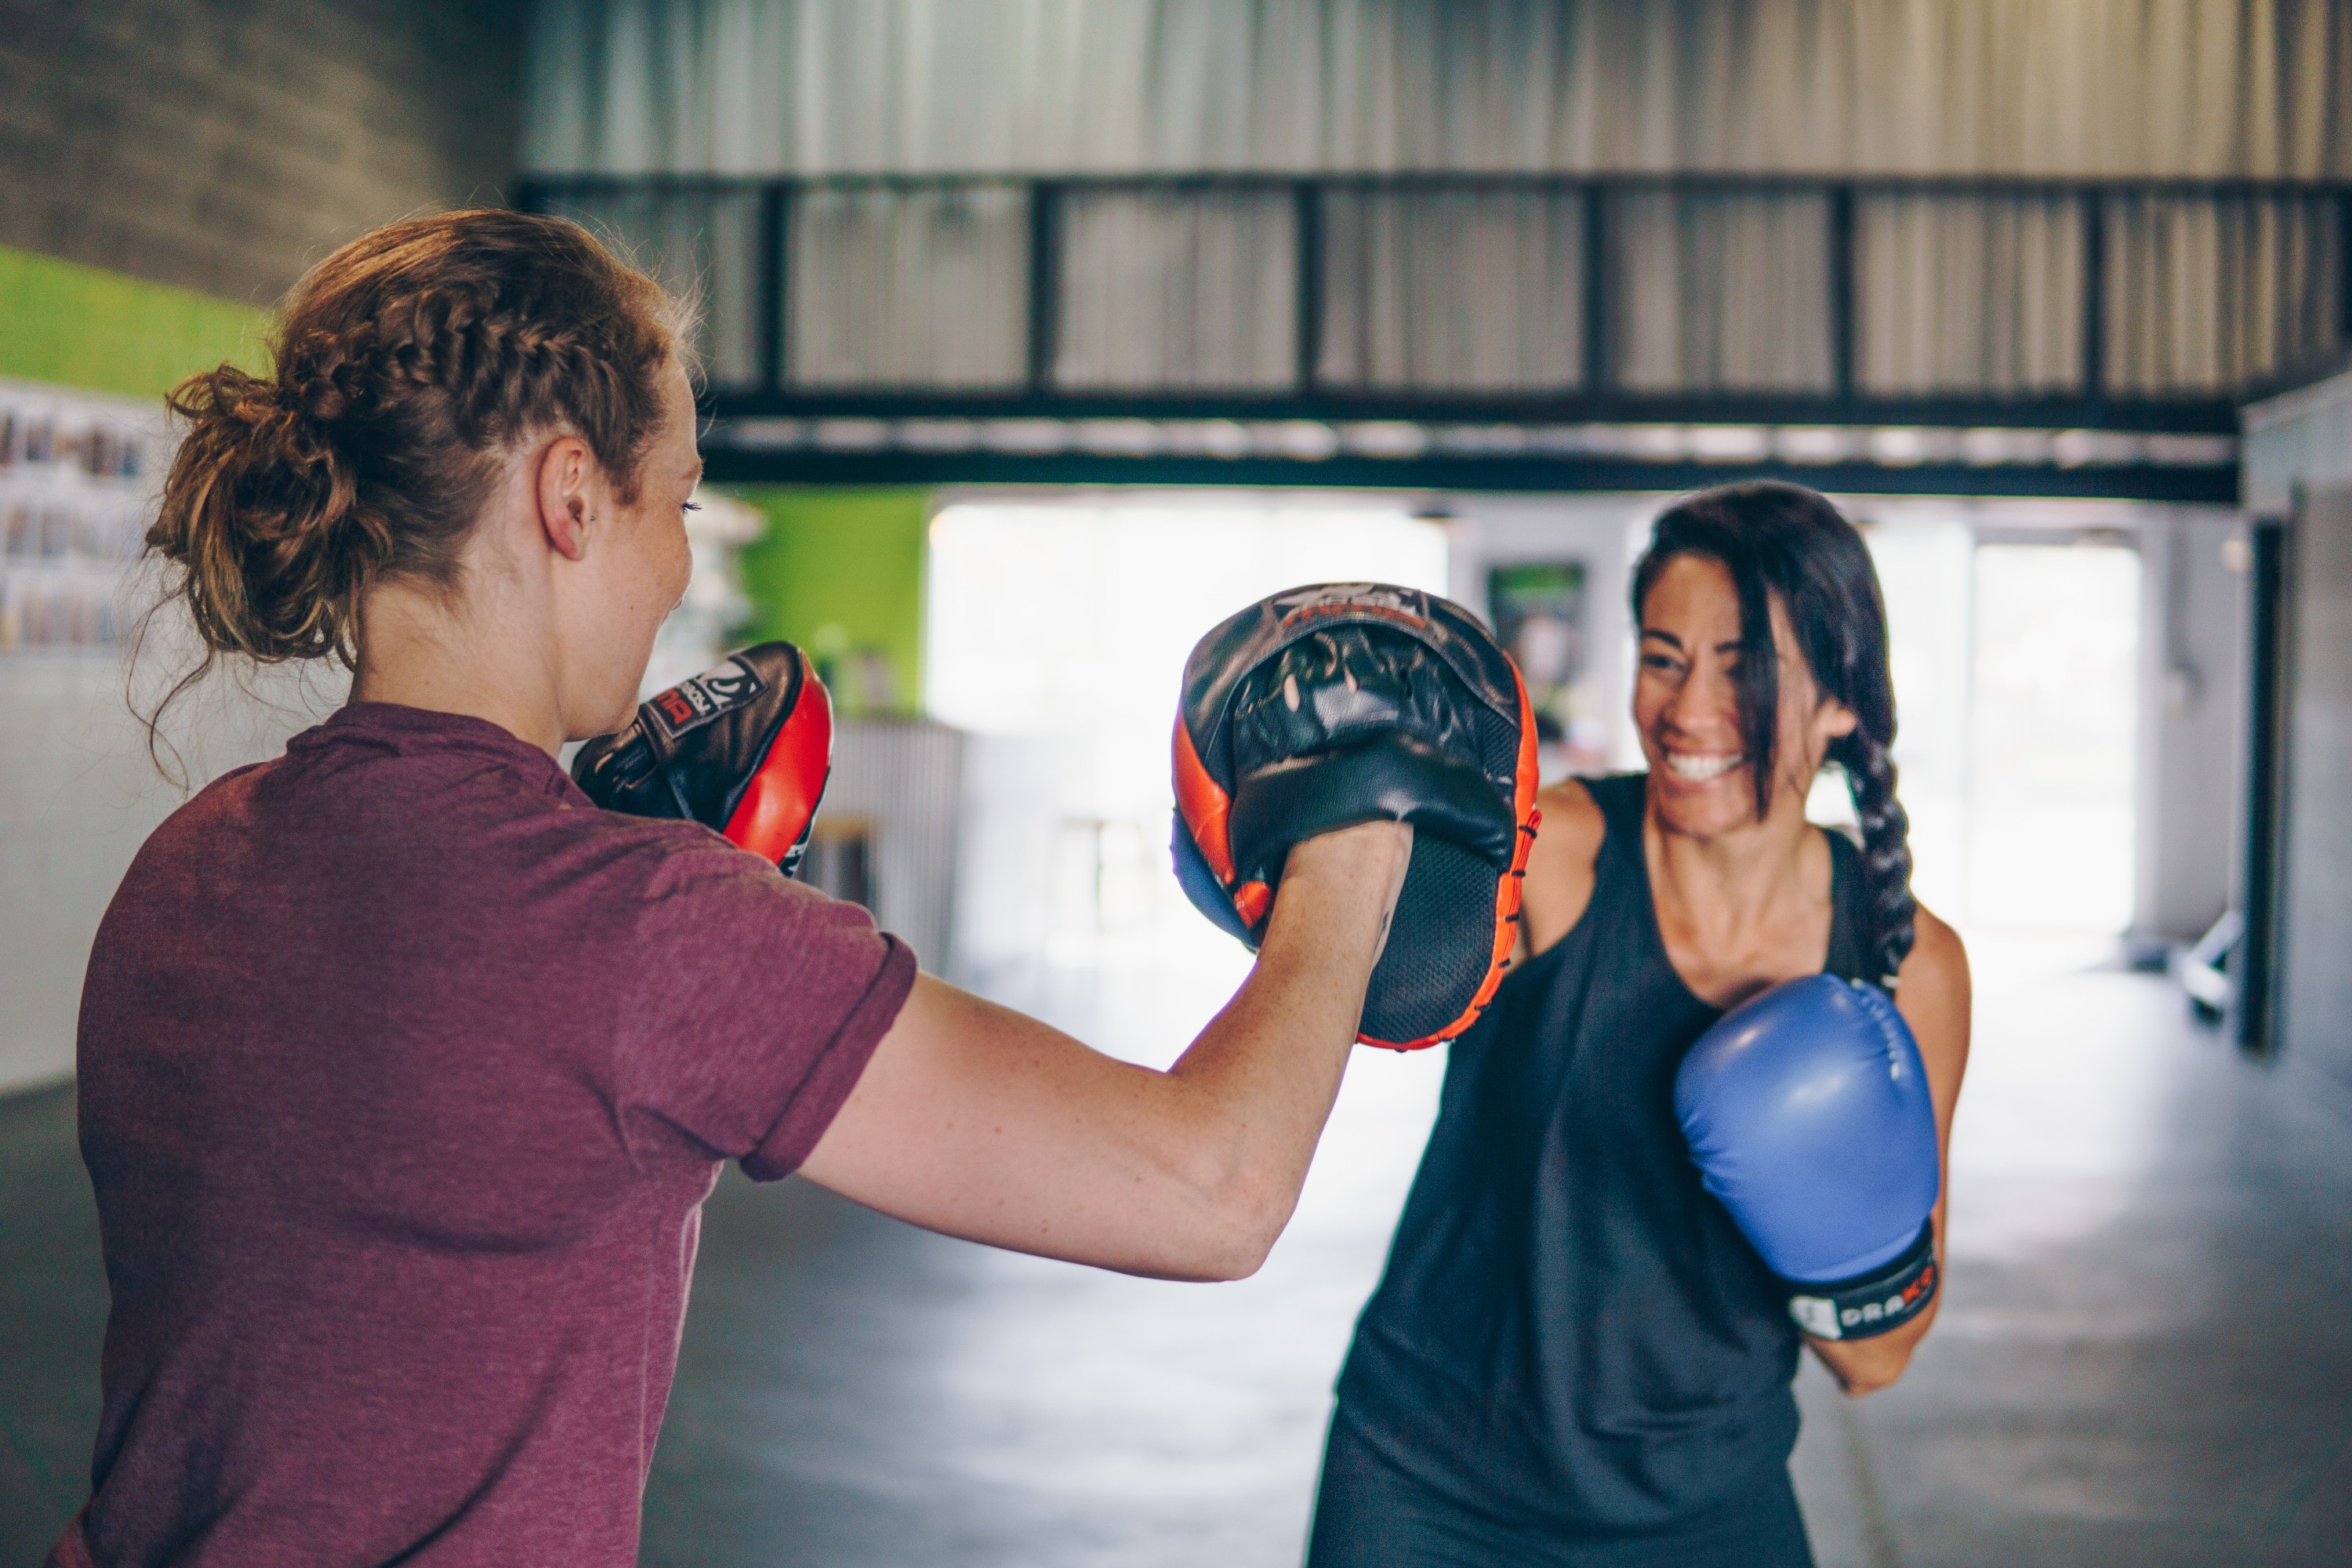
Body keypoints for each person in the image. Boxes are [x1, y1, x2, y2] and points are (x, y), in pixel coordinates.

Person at [58, 210, 1421, 1568]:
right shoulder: (638, 928)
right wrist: (1353, 844)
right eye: (683, 500)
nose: (679, 567)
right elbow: (1212, 1190)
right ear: (574, 498)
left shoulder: (186, 866)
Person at [1307, 482, 1973, 1567]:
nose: (1689, 711)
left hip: (1710, 1503)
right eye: (1664, 658)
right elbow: (1359, 952)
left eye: (1744, 667)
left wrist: (1819, 1194)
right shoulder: (1554, 854)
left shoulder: (1909, 965)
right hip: (1433, 1484)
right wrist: (1336, 818)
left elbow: (1878, 1356)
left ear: (1843, 701)